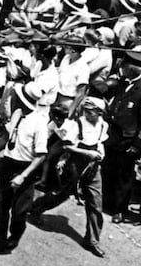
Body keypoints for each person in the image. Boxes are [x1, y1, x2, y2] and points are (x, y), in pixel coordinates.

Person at [29, 96, 108, 257]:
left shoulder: (103, 125)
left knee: (95, 203)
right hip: (75, 164)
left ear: (99, 112)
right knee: (60, 194)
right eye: (86, 110)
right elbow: (67, 146)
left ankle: (92, 240)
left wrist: (100, 154)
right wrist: (87, 153)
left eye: (91, 111)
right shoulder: (78, 124)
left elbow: (100, 142)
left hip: (93, 166)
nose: (87, 114)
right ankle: (36, 208)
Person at [0, 84, 50, 255]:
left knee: (19, 211)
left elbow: (41, 155)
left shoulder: (39, 122)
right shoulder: (17, 114)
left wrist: (22, 176)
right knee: (0, 205)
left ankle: (15, 235)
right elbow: (6, 137)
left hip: (26, 168)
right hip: (9, 162)